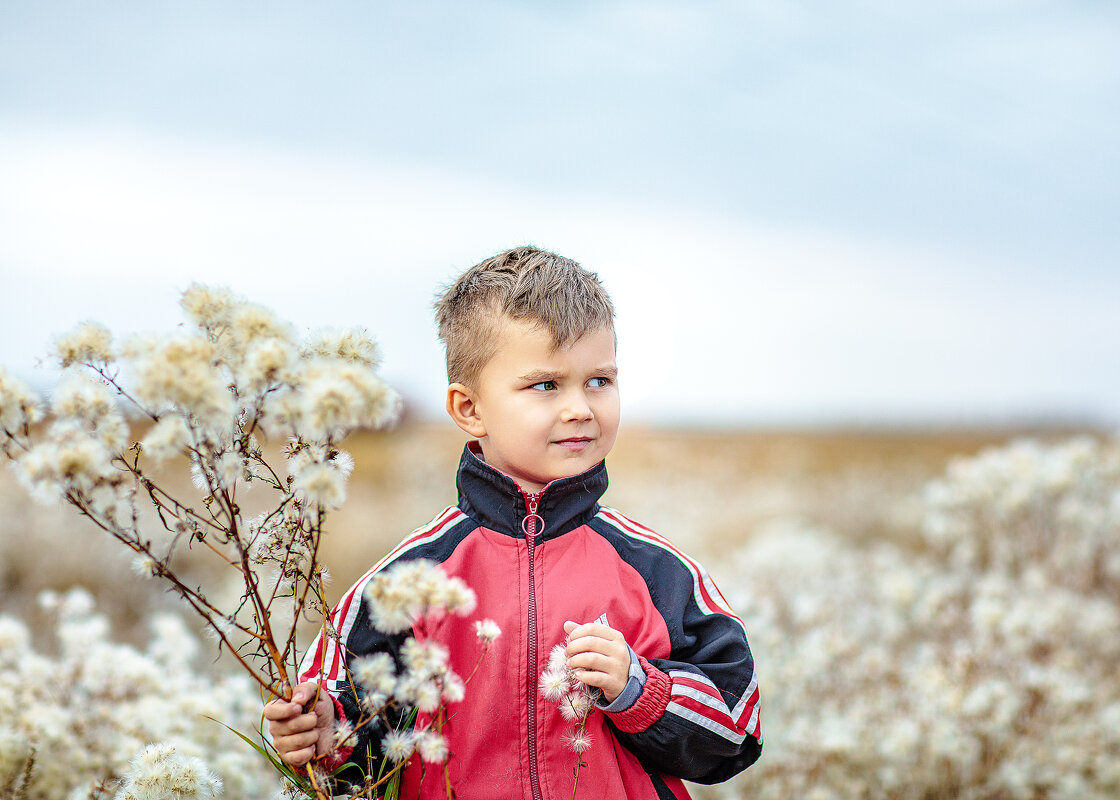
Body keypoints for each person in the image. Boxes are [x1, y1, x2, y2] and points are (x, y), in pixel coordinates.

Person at [264, 246, 762, 799]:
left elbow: (738, 727)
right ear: (469, 409)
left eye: (599, 380)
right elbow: (351, 735)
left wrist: (639, 690)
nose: (581, 408)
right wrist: (324, 734)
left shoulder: (654, 570)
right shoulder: (410, 578)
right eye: (546, 385)